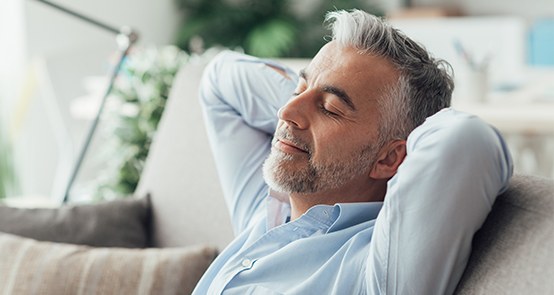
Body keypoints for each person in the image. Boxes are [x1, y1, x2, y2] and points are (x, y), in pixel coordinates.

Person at [192, 9, 513, 295]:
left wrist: (409, 133)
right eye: (296, 90)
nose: (285, 112)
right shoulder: (266, 212)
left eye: (331, 109)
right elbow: (220, 79)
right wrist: (316, 93)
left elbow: (466, 139)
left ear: (389, 159)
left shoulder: (376, 272)